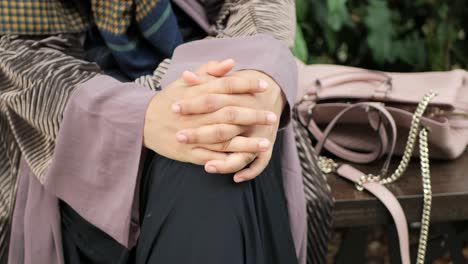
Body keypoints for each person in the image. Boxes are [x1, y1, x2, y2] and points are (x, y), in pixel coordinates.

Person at [0, 0, 308, 263]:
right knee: (214, 156)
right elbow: (17, 57)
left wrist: (258, 71)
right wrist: (141, 116)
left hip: (215, 67)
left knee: (221, 145)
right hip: (64, 120)